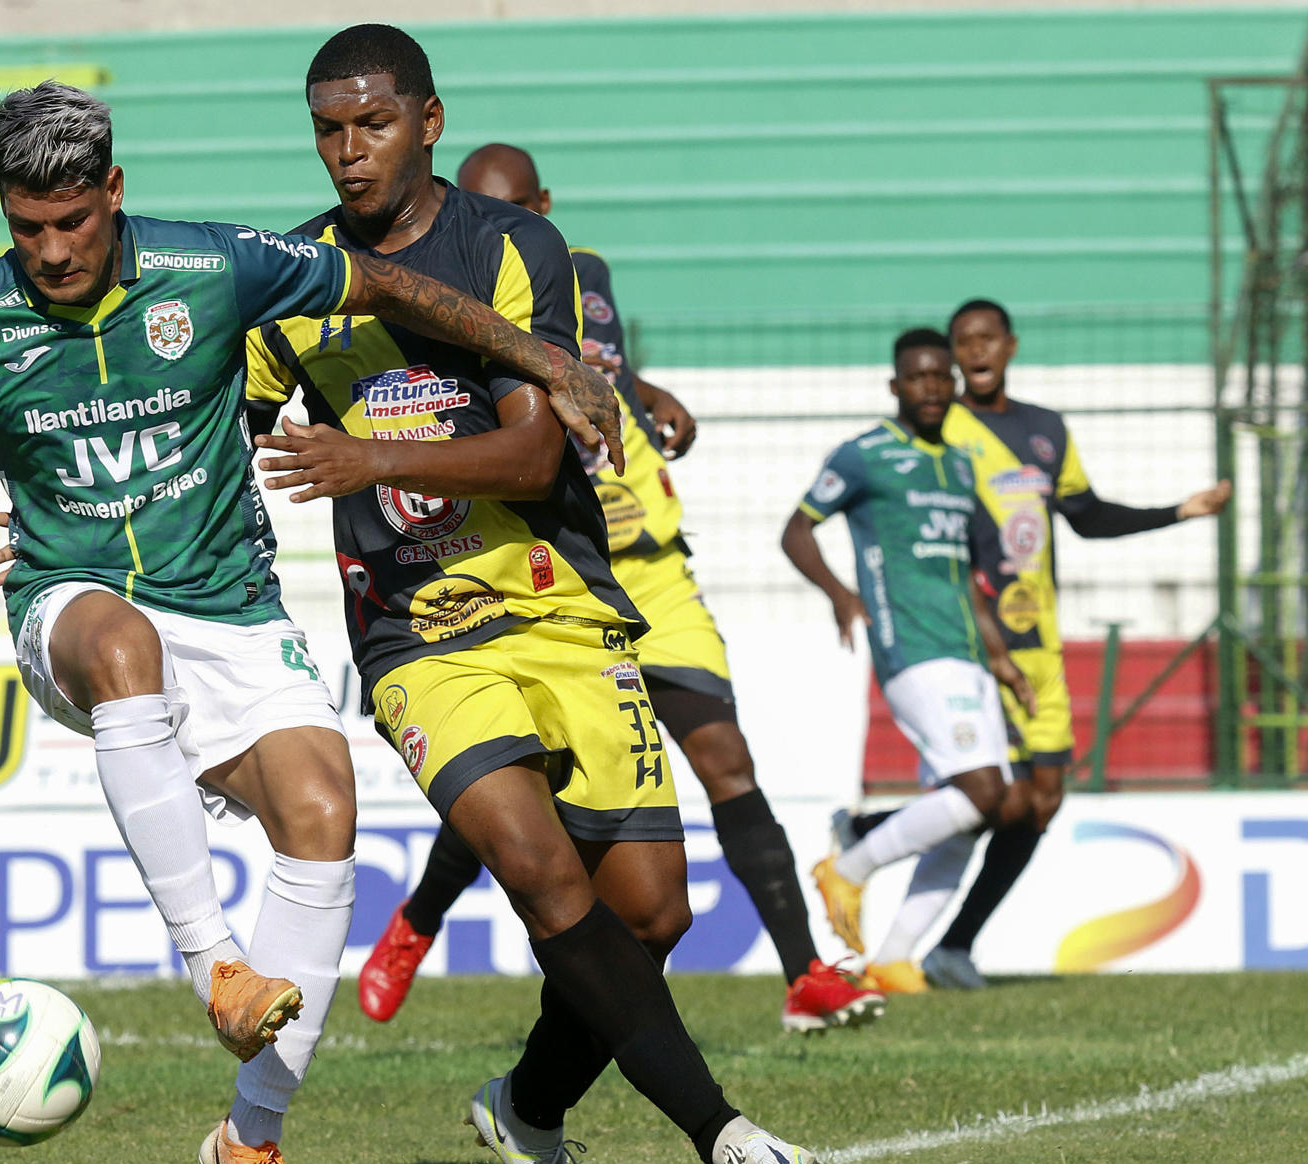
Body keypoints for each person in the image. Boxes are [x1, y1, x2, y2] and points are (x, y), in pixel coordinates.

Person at [0, 80, 622, 1164]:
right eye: (24, 224)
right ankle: (216, 966)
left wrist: (549, 360)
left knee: (323, 804)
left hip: (233, 613)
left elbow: (391, 284)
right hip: (72, 611)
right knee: (122, 643)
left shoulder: (214, 267)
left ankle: (253, 1142)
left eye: (72, 223)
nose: (48, 250)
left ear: (115, 193)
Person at [244, 24, 819, 1164]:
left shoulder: (511, 246)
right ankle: (726, 1135)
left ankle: (526, 1107)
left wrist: (369, 450)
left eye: (373, 124)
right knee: (538, 866)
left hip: (562, 603)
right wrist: (68, 511)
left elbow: (531, 445)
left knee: (653, 908)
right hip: (417, 628)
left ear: (428, 121)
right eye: (327, 129)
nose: (347, 152)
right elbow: (212, 434)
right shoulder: (292, 281)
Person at [355, 141, 883, 1036]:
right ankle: (416, 922)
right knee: (518, 781)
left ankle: (805, 974)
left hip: (654, 568)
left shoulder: (577, 270)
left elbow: (591, 361)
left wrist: (646, 389)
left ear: (544, 204)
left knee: (727, 761)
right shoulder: (454, 292)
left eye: (518, 204)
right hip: (544, 568)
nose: (501, 221)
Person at [905, 298, 1231, 989]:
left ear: (1011, 346)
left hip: (1039, 645)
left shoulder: (1045, 431)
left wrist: (1180, 510)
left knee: (1044, 798)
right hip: (974, 642)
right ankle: (878, 840)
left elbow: (1086, 516)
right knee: (995, 795)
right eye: (964, 341)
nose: (976, 350)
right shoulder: (941, 431)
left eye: (988, 337)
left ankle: (951, 946)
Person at [782, 328, 1036, 993]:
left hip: (968, 653)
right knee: (983, 791)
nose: (931, 387)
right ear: (896, 386)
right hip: (913, 649)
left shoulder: (956, 465)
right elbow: (796, 529)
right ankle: (850, 867)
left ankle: (896, 957)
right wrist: (841, 593)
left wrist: (1002, 658)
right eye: (918, 377)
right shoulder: (865, 455)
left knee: (980, 809)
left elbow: (966, 574)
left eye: (940, 377)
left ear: (953, 384)